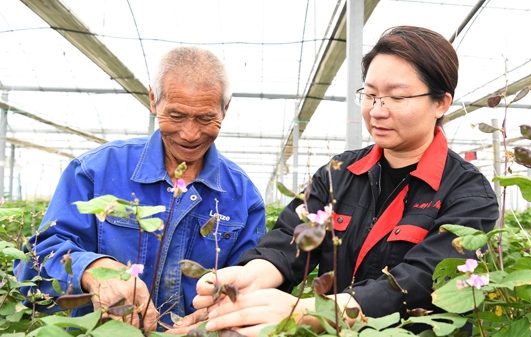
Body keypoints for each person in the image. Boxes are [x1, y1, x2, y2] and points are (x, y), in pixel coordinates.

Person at [170, 25, 500, 336]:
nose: (377, 110)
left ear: (441, 102)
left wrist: (306, 312)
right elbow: (292, 237)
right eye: (369, 95)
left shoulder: (468, 193)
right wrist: (252, 275)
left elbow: (422, 280)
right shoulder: (339, 173)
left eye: (396, 98)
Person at [13, 46, 267, 332]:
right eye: (176, 115)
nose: (190, 134)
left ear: (226, 108)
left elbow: (251, 289)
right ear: (153, 101)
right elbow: (33, 264)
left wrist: (221, 314)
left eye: (206, 118)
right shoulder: (96, 171)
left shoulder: (243, 197)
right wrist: (95, 271)